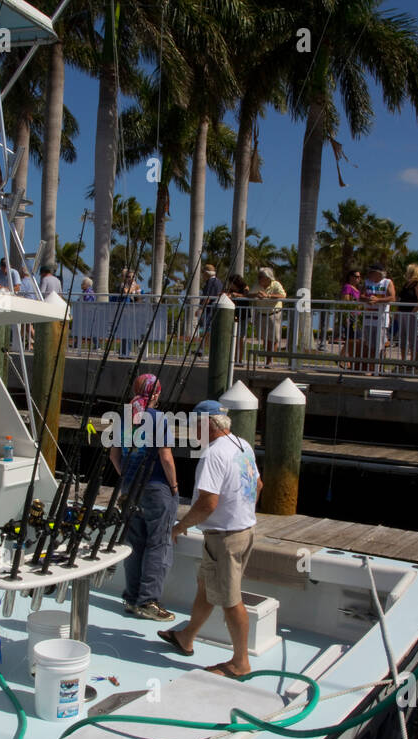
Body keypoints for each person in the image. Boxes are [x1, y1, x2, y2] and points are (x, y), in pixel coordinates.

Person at [160, 400, 262, 678]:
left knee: (230, 600)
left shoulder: (213, 454)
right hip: (243, 531)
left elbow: (208, 503)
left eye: (194, 424)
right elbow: (258, 485)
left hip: (224, 540)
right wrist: (242, 513)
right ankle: (186, 637)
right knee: (205, 587)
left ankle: (240, 663)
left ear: (207, 424)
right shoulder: (242, 445)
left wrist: (179, 527)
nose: (192, 430)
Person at [108, 374, 178, 622]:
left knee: (135, 543)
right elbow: (166, 458)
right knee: (158, 544)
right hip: (156, 487)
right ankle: (148, 601)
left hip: (129, 488)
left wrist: (127, 477)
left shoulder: (123, 417)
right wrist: (175, 486)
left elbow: (114, 456)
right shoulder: (159, 419)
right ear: (156, 394)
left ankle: (131, 598)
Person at [252, 267, 286, 365]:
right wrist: (256, 295)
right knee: (265, 338)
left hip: (273, 314)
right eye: (259, 277)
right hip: (261, 314)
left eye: (261, 277)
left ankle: (270, 361)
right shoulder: (257, 285)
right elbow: (250, 294)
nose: (259, 279)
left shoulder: (276, 284)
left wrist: (268, 296)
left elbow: (283, 295)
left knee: (273, 339)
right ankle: (267, 360)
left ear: (267, 277)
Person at [363, 264, 395, 368]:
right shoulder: (367, 282)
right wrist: (367, 299)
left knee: (380, 345)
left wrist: (378, 300)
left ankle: (378, 368)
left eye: (372, 272)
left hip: (381, 319)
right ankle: (371, 367)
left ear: (378, 273)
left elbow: (392, 297)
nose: (369, 274)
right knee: (369, 345)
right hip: (368, 317)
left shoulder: (387, 282)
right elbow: (361, 295)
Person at [398, 263, 418, 361]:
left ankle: (413, 360)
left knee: (412, 338)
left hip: (412, 314)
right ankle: (403, 360)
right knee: (402, 338)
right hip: (403, 313)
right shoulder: (406, 284)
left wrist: (412, 312)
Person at [197, 263, 224, 340]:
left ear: (206, 273)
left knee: (207, 331)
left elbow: (207, 298)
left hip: (209, 311)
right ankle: (203, 348)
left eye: (203, 273)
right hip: (215, 310)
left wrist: (201, 309)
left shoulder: (210, 282)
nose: (202, 275)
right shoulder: (219, 282)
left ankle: (203, 349)